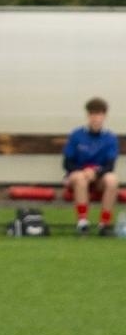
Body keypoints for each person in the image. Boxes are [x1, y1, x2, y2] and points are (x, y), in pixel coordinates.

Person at [62, 97, 119, 236]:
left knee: (112, 179)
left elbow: (110, 165)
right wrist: (83, 172)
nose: (96, 119)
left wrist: (96, 172)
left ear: (104, 116)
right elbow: (67, 163)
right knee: (80, 178)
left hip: (98, 177)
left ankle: (104, 225)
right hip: (78, 176)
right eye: (93, 114)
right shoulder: (77, 135)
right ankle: (83, 223)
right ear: (88, 115)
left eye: (99, 115)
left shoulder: (110, 138)